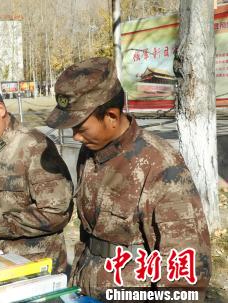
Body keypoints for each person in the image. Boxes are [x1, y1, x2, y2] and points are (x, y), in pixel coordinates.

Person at [45, 57, 212, 298]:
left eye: (80, 128)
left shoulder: (161, 165)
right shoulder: (91, 152)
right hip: (86, 289)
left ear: (111, 116)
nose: (76, 137)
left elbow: (186, 272)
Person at [0, 79, 73, 273]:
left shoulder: (34, 146)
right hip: (2, 258)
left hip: (37, 263)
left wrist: (1, 227)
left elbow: (57, 213)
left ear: (0, 109)